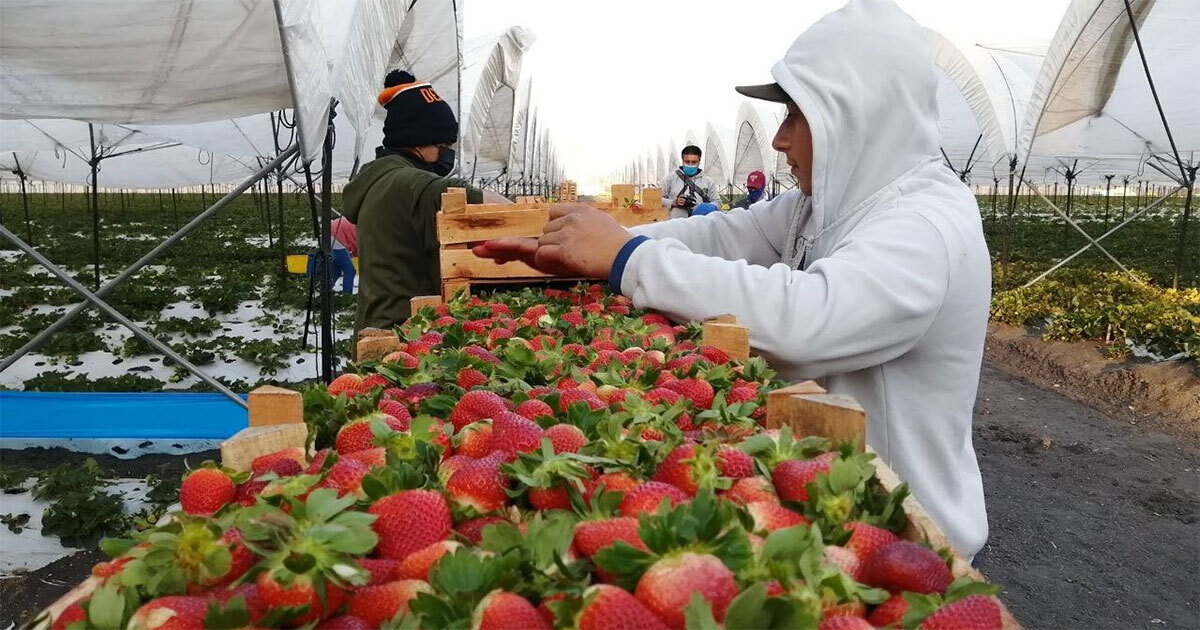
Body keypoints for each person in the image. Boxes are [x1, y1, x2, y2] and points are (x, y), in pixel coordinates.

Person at [473, 0, 991, 558]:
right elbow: (718, 236)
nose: (779, 140)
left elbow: (808, 323)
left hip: (907, 532)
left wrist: (626, 258)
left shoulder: (926, 224)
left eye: (795, 116)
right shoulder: (821, 207)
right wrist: (587, 242)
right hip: (831, 501)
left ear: (853, 116)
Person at [343, 70, 484, 332]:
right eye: (442, 144)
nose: (446, 152)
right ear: (416, 141)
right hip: (399, 333)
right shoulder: (404, 182)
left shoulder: (382, 179)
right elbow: (466, 195)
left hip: (381, 323)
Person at [660, 145, 722, 219]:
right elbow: (657, 200)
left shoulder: (708, 182)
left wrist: (707, 207)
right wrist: (674, 202)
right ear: (682, 161)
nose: (690, 165)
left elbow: (717, 202)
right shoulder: (670, 178)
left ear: (699, 162)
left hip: (700, 222)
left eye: (694, 162)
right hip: (676, 223)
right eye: (687, 161)